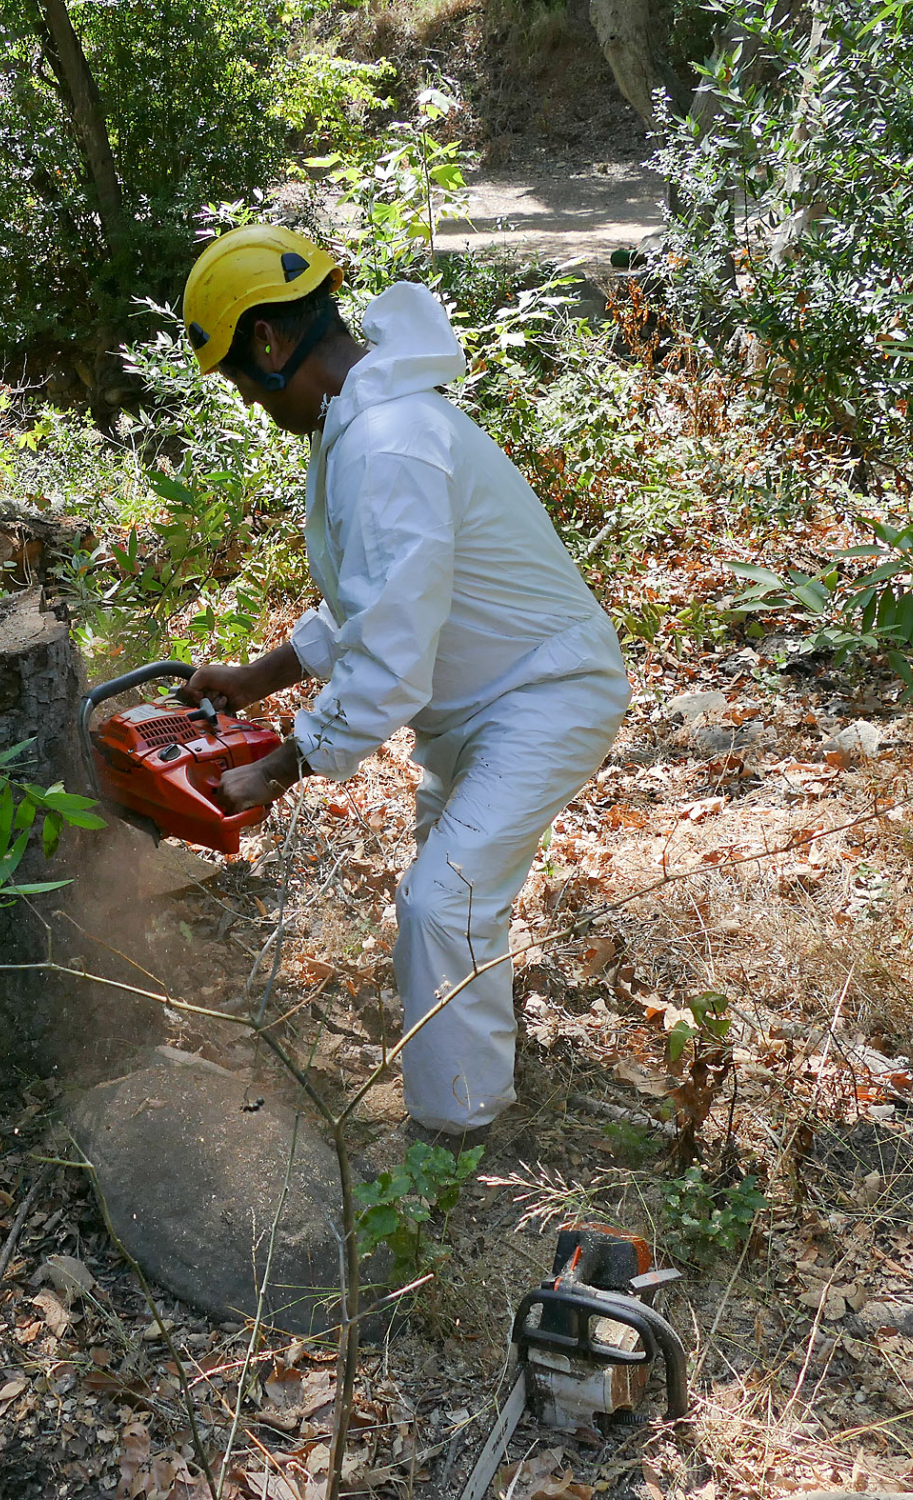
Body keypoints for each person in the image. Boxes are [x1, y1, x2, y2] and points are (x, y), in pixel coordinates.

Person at [177, 224, 629, 1149]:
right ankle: (466, 1072)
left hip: (543, 696)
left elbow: (388, 650)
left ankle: (456, 1136)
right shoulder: (367, 425)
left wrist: (282, 767)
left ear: (267, 340)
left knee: (441, 902)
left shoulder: (389, 442)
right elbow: (377, 600)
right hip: (476, 705)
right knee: (450, 900)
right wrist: (255, 680)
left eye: (237, 378)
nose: (249, 400)